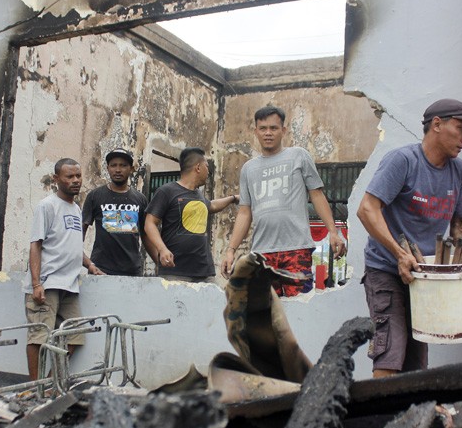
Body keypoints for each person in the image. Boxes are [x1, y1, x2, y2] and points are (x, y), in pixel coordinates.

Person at [356, 98, 462, 378]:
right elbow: (367, 210)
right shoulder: (403, 161)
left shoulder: (458, 171)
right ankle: (377, 419)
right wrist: (398, 254)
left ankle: (409, 419)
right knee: (390, 350)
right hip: (387, 270)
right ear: (437, 125)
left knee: (416, 364)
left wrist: (461, 268)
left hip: (426, 278)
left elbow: (460, 226)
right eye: (460, 129)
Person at [221, 105, 346, 297]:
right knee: (266, 315)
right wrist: (231, 250)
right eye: (263, 129)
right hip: (261, 254)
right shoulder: (248, 169)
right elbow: (245, 212)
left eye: (274, 128)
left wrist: (333, 231)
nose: (268, 133)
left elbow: (317, 194)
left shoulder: (298, 156)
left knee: (299, 313)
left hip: (296, 249)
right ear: (256, 132)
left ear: (283, 130)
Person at [24, 158, 86, 381]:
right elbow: (36, 244)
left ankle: (49, 382)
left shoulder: (76, 209)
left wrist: (90, 265)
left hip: (69, 284)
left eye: (78, 176)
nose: (76, 180)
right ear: (56, 179)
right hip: (47, 283)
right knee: (39, 337)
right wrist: (36, 283)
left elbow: (72, 244)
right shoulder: (47, 205)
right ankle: (34, 387)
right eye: (69, 176)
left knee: (75, 336)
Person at [145, 147, 238, 283]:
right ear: (198, 167)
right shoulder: (167, 191)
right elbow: (149, 223)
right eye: (207, 166)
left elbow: (211, 205)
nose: (209, 172)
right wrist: (162, 249)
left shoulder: (198, 194)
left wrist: (233, 198)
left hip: (204, 271)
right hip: (176, 270)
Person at [81, 148, 150, 276]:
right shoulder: (95, 196)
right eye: (113, 165)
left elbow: (146, 236)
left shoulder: (140, 199)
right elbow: (80, 233)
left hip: (132, 271)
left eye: (123, 165)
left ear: (130, 169)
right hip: (100, 270)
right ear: (108, 168)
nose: (118, 170)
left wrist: (159, 262)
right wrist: (86, 261)